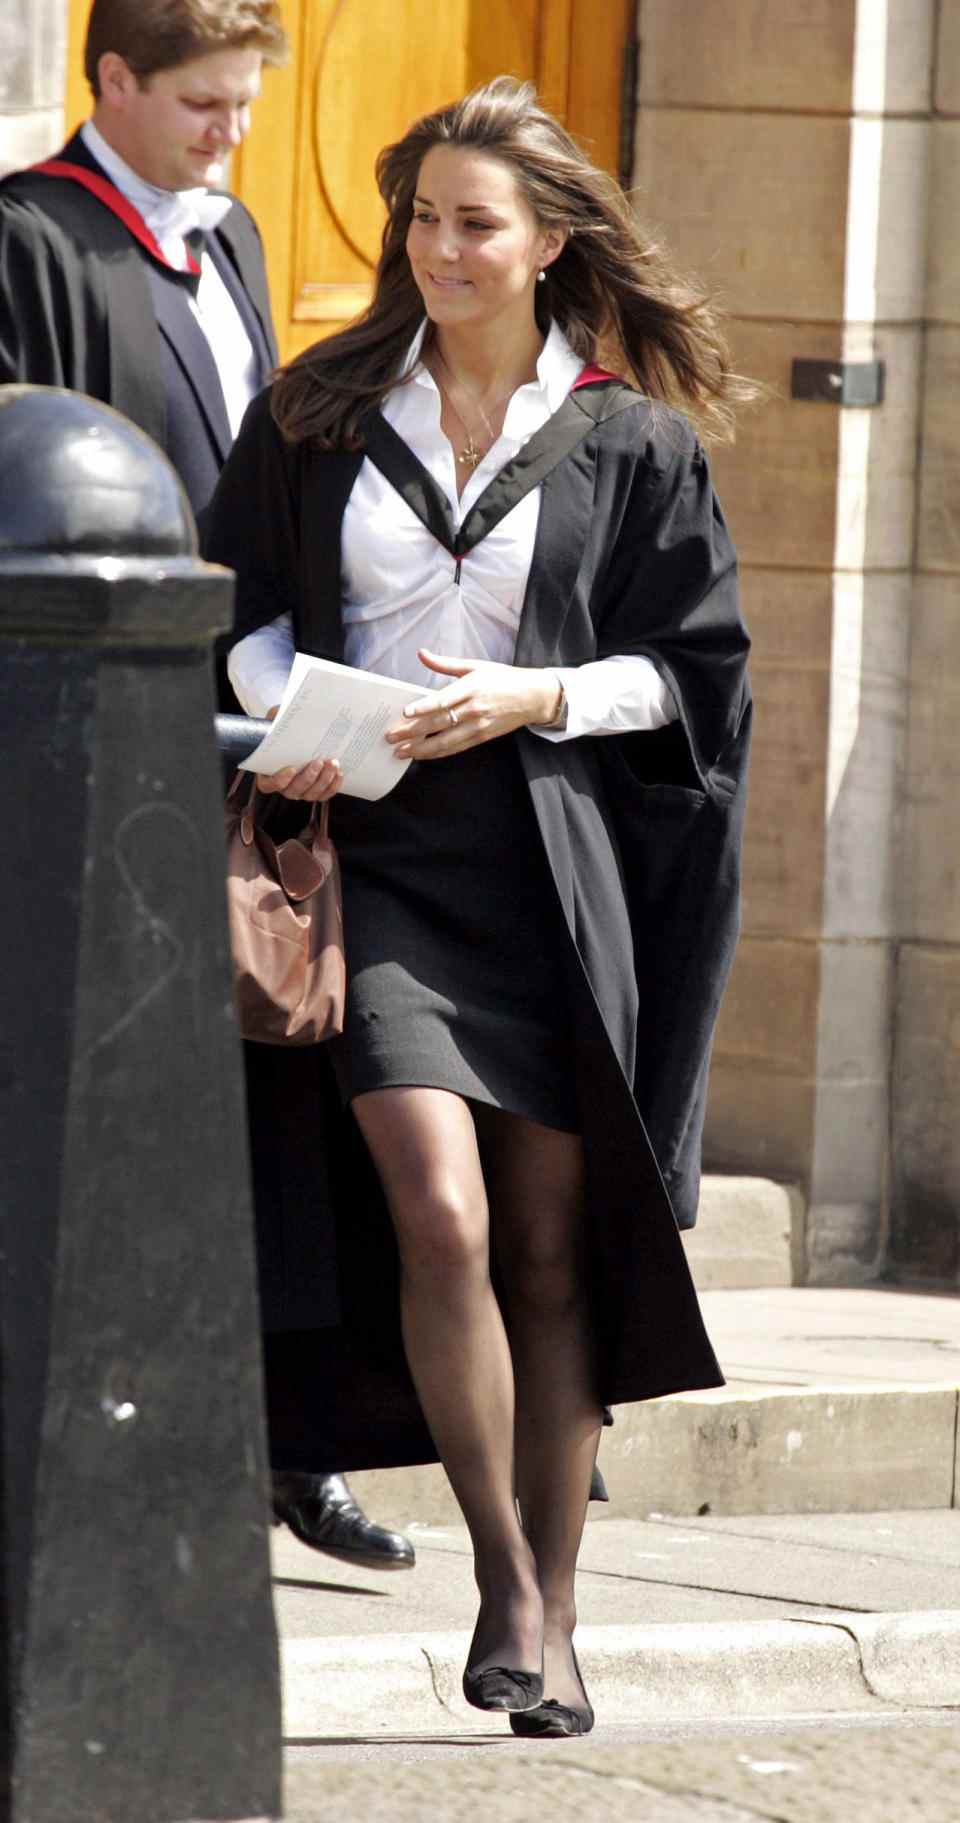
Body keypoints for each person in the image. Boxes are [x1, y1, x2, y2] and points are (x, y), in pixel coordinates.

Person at [204, 76, 752, 1737]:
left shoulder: (631, 441)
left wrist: (537, 698)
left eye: (474, 223)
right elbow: (235, 605)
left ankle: (558, 1621)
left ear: (547, 243)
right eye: (423, 218)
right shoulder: (317, 409)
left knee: (546, 1247)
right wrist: (298, 709)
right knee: (437, 1213)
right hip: (374, 868)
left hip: (559, 888)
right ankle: (506, 1577)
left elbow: (695, 682)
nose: (439, 249)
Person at [0, 0, 413, 1575]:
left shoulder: (233, 235)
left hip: (245, 726)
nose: (231, 135)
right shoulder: (28, 238)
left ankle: (291, 1445)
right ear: (108, 80)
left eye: (246, 105)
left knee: (275, 1084)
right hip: (90, 730)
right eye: (201, 105)